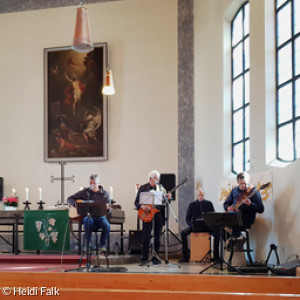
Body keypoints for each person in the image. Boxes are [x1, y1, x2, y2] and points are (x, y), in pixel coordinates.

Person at [135, 170, 171, 265]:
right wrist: (142, 206)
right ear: (151, 178)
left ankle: (155, 257)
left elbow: (165, 203)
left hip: (157, 213)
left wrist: (168, 198)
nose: (158, 179)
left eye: (158, 177)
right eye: (156, 177)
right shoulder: (143, 188)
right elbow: (136, 202)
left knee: (157, 236)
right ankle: (144, 258)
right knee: (146, 235)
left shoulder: (160, 188)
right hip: (147, 213)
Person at [68, 174, 111, 252]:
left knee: (106, 225)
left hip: (100, 216)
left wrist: (108, 209)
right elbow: (69, 199)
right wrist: (75, 204)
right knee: (88, 221)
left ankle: (102, 245)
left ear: (99, 183)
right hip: (87, 215)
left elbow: (109, 209)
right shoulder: (85, 192)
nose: (92, 185)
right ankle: (88, 243)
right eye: (91, 183)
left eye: (94, 183)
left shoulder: (105, 194)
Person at [178, 187, 220, 263]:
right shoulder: (192, 205)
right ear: (197, 195)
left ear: (204, 195)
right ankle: (185, 257)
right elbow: (187, 218)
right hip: (195, 226)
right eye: (199, 195)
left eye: (202, 195)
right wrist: (191, 225)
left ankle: (216, 257)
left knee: (217, 234)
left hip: (207, 226)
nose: (200, 196)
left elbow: (213, 216)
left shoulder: (209, 204)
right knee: (183, 233)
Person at [223, 171, 264, 240]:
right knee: (217, 221)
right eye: (241, 183)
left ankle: (236, 239)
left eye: (245, 183)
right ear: (238, 182)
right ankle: (233, 238)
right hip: (234, 216)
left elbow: (261, 209)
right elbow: (226, 203)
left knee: (234, 217)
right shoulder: (234, 190)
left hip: (247, 217)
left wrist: (250, 204)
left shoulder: (253, 191)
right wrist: (228, 207)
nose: (243, 186)